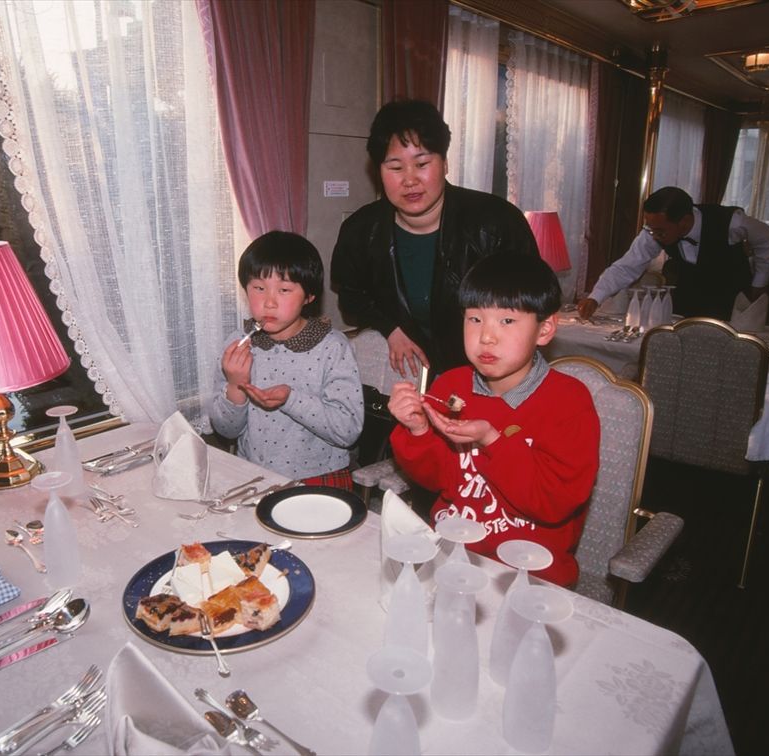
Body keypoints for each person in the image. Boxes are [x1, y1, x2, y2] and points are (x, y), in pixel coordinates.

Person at [386, 254, 600, 587]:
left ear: (544, 330)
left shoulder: (569, 402)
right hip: (451, 554)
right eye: (474, 319)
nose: (487, 336)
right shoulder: (452, 386)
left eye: (507, 321)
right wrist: (418, 430)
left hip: (530, 573)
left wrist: (492, 441)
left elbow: (553, 503)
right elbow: (436, 478)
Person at [331, 99, 538, 379]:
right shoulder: (360, 231)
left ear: (445, 163)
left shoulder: (497, 223)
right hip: (415, 378)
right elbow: (352, 297)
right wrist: (390, 328)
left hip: (494, 373)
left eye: (422, 163)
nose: (410, 180)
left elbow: (529, 306)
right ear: (378, 172)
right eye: (395, 167)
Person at [210, 231, 364, 490]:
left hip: (319, 478)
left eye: (284, 290)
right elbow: (226, 430)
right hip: (253, 474)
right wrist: (236, 385)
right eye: (259, 288)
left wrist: (290, 399)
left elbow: (347, 430)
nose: (269, 302)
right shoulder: (238, 345)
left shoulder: (331, 347)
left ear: (309, 297)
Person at [577, 186, 769, 321]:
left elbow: (767, 238)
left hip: (732, 298)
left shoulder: (732, 222)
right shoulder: (654, 230)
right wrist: (596, 297)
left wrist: (759, 283)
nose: (654, 235)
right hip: (688, 297)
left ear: (684, 222)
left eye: (661, 231)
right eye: (651, 228)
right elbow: (627, 266)